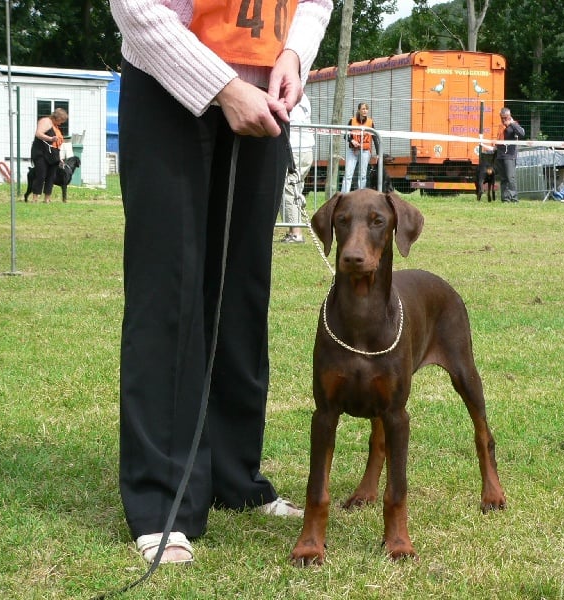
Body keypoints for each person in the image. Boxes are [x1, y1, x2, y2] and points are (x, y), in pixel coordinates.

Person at [110, 0, 332, 565]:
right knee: (171, 289)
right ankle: (164, 501)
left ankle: (235, 476)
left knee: (243, 292)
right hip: (168, 80)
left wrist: (294, 55)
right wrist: (222, 87)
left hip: (267, 95)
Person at [280, 94, 314, 243]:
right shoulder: (303, 96)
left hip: (295, 148)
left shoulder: (289, 95)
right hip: (306, 149)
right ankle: (294, 231)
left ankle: (296, 233)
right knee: (296, 189)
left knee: (289, 190)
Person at [29, 108, 67, 203]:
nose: (61, 123)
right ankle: (35, 198)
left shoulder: (56, 127)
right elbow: (38, 134)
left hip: (53, 154)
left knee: (51, 176)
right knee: (41, 175)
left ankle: (47, 198)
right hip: (41, 152)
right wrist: (50, 138)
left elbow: (57, 144)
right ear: (56, 117)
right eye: (61, 121)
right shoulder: (46, 121)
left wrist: (59, 158)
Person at [341, 103, 378, 192]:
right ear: (359, 110)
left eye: (366, 109)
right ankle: (343, 195)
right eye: (363, 109)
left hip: (365, 151)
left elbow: (375, 137)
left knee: (362, 175)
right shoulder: (352, 121)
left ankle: (361, 195)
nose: (365, 111)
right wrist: (352, 141)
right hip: (353, 151)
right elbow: (345, 135)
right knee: (348, 174)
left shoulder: (370, 122)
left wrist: (378, 153)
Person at [494, 107, 525, 202]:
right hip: (500, 154)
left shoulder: (514, 125)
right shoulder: (500, 126)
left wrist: (511, 123)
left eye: (505, 117)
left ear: (509, 116)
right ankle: (505, 199)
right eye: (501, 117)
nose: (503, 119)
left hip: (510, 155)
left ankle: (514, 198)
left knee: (510, 177)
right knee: (503, 178)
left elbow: (522, 134)